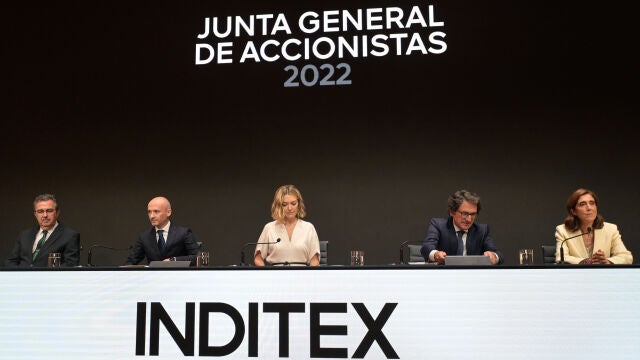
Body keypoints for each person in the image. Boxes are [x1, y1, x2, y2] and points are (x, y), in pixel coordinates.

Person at [421, 190, 503, 265]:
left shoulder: (482, 230)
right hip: (445, 276)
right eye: (465, 214)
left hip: (472, 277)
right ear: (452, 212)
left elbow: (498, 255)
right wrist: (436, 255)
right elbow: (426, 248)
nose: (469, 219)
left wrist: (494, 257)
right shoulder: (438, 225)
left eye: (473, 214)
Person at [555, 188, 633, 264]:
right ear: (573, 211)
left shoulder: (611, 229)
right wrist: (585, 261)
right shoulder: (563, 230)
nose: (589, 208)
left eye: (592, 203)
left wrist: (607, 261)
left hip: (602, 275)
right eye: (582, 204)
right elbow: (561, 258)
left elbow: (626, 257)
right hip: (577, 275)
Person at [5, 194, 80, 267]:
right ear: (35, 214)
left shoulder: (70, 236)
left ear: (57, 213)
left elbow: (70, 265)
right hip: (22, 278)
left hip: (49, 279)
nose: (45, 215)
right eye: (40, 211)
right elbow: (11, 261)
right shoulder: (24, 235)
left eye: (49, 211)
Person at [254, 185, 320, 266]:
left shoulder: (308, 228)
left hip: (302, 275)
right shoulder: (269, 228)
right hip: (276, 275)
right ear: (278, 206)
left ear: (299, 204)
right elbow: (258, 258)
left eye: (293, 203)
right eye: (284, 204)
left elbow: (315, 259)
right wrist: (267, 274)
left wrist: (308, 277)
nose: (289, 208)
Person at [125, 196, 199, 265]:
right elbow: (130, 262)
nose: (152, 216)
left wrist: (173, 260)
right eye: (149, 212)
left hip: (177, 276)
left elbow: (197, 258)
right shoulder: (145, 237)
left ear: (168, 212)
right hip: (154, 278)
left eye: (156, 211)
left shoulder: (184, 233)